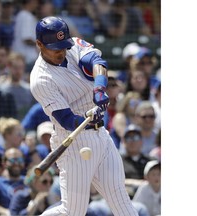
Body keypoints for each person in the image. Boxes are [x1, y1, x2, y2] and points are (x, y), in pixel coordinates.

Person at [30, 16, 138, 216]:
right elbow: (67, 120)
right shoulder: (40, 79)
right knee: (73, 211)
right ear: (39, 44)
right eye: (55, 48)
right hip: (74, 144)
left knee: (122, 201)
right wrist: (90, 118)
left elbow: (97, 61)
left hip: (101, 138)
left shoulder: (71, 47)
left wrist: (99, 88)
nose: (62, 52)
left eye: (63, 46)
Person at [0, 148, 27, 215]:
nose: (16, 163)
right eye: (12, 160)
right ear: (4, 163)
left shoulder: (28, 181)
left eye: (19, 160)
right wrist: (8, 213)